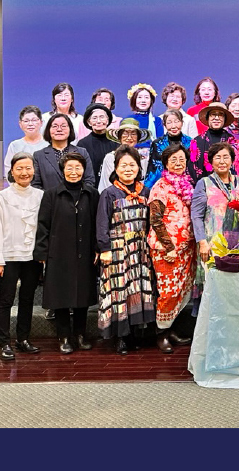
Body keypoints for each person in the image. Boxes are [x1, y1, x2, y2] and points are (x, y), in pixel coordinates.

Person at [34, 151, 99, 354]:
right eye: (69, 168)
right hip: (59, 253)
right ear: (62, 170)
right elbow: (43, 225)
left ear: (84, 170)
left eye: (78, 168)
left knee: (82, 295)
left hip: (85, 252)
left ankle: (80, 335)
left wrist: (97, 247)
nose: (73, 172)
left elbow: (97, 224)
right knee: (60, 296)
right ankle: (63, 336)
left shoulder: (91, 194)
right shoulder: (51, 194)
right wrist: (42, 253)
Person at [96, 145, 156, 355]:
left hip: (140, 250)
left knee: (138, 289)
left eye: (132, 165)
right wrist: (104, 248)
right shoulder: (109, 193)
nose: (128, 169)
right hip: (117, 251)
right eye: (123, 165)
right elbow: (102, 223)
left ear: (139, 168)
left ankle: (136, 334)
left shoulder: (146, 192)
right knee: (119, 291)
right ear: (116, 168)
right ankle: (121, 337)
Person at [0, 152, 44, 360]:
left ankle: (23, 339)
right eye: (19, 168)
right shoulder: (2, 196)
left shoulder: (41, 196)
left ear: (34, 170)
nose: (24, 172)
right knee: (5, 300)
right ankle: (4, 343)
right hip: (8, 257)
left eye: (28, 168)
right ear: (12, 171)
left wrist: (43, 254)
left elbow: (44, 228)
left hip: (32, 257)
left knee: (27, 299)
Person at [147, 143, 195, 354]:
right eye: (173, 160)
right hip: (166, 249)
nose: (178, 163)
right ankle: (161, 333)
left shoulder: (188, 183)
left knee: (182, 291)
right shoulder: (160, 187)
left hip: (187, 248)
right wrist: (168, 247)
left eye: (181, 159)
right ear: (165, 163)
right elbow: (155, 220)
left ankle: (172, 329)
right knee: (168, 292)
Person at [192, 142, 239, 265]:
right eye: (218, 157)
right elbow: (196, 216)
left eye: (226, 157)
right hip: (213, 244)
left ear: (232, 161)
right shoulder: (204, 183)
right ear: (211, 162)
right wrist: (202, 242)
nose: (222, 161)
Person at [32, 113, 96, 190]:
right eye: (55, 126)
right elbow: (35, 185)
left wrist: (78, 195)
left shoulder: (82, 152)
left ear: (70, 129)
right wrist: (50, 196)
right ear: (48, 130)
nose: (59, 129)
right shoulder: (39, 156)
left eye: (63, 126)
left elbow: (89, 180)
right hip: (49, 197)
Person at [144, 109, 193, 188]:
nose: (173, 126)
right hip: (164, 185)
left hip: (186, 185)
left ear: (182, 122)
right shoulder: (157, 144)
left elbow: (193, 168)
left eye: (177, 121)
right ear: (164, 125)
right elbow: (153, 170)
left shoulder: (190, 142)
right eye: (169, 122)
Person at [98, 118, 151, 192]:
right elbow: (107, 183)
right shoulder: (111, 157)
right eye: (125, 133)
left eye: (133, 134)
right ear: (119, 136)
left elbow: (143, 181)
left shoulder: (143, 159)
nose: (129, 137)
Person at [188, 102, 234, 183]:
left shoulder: (232, 141)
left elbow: (236, 167)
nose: (216, 118)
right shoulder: (197, 141)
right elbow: (191, 169)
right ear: (208, 118)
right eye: (213, 114)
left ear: (224, 119)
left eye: (220, 115)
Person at [77, 103, 118, 186]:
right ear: (89, 122)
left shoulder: (116, 142)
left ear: (107, 120)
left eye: (102, 117)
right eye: (94, 118)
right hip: (91, 187)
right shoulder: (82, 144)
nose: (99, 121)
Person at [4, 105, 49, 179]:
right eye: (26, 121)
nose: (30, 124)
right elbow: (8, 170)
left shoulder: (49, 144)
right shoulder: (15, 145)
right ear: (20, 124)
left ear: (41, 123)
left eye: (34, 120)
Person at [124, 83, 164, 150]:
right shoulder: (127, 120)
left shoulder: (157, 120)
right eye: (139, 97)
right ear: (134, 100)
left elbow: (160, 142)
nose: (143, 100)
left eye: (146, 97)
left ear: (151, 100)